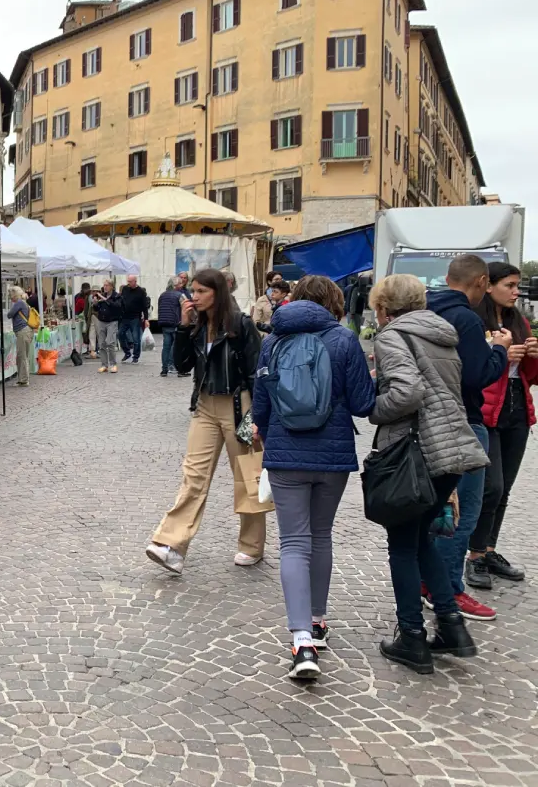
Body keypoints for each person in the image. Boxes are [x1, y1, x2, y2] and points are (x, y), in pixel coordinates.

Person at [251, 276, 377, 680]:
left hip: (286, 455)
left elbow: (260, 408)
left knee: (292, 543)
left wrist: (273, 445)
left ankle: (301, 640)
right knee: (320, 536)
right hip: (333, 455)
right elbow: (362, 404)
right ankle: (319, 622)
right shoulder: (343, 340)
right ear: (334, 303)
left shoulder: (271, 341)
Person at [367, 274, 485, 673]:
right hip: (452, 451)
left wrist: (374, 407)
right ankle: (452, 626)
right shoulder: (440, 333)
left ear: (383, 306)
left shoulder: (392, 336)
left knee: (402, 546)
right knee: (421, 542)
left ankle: (412, 638)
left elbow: (407, 394)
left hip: (417, 455)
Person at [146, 268, 266, 575]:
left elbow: (256, 373)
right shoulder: (198, 325)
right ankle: (171, 544)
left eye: (201, 292)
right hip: (205, 407)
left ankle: (252, 546)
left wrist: (259, 417)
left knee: (247, 476)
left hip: (240, 405)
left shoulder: (241, 324)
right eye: (193, 291)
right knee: (194, 475)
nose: (193, 297)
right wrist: (185, 327)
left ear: (218, 293)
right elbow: (182, 365)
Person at [425, 254, 509, 622]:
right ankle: (449, 591)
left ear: (447, 278)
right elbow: (478, 375)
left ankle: (431, 583)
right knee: (464, 511)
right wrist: (501, 350)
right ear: (480, 282)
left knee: (440, 506)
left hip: (429, 422)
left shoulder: (425, 312)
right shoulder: (466, 319)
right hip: (464, 422)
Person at [469, 262, 536, 588]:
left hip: (516, 411)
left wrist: (532, 355)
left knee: (504, 487)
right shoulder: (474, 320)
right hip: (486, 412)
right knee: (490, 486)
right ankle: (475, 555)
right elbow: (469, 368)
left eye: (517, 286)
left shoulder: (518, 321)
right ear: (489, 285)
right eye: (509, 285)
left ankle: (490, 550)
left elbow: (532, 377)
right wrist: (499, 352)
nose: (515, 291)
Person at [92, 280, 124, 374]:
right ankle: (104, 365)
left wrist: (105, 300)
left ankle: (113, 364)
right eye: (104, 285)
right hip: (101, 321)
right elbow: (97, 309)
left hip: (112, 322)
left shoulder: (116, 296)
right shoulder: (102, 295)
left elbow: (117, 306)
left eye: (107, 285)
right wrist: (95, 304)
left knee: (110, 342)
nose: (105, 287)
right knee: (101, 344)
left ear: (112, 286)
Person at [119, 275, 150, 365]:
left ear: (135, 281)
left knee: (136, 338)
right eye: (127, 281)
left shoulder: (141, 292)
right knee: (120, 334)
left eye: (130, 282)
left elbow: (145, 307)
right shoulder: (125, 289)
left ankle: (135, 356)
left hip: (135, 317)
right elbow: (122, 300)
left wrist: (146, 319)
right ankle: (127, 352)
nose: (128, 283)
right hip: (125, 317)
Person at [7, 285, 34, 387]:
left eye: (11, 295)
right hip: (26, 331)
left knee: (22, 356)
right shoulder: (23, 302)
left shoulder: (19, 303)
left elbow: (9, 314)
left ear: (15, 295)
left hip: (23, 332)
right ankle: (23, 378)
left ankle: (23, 380)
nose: (10, 297)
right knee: (23, 356)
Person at [156, 278, 182, 377]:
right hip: (175, 323)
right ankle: (172, 365)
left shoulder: (162, 295)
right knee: (174, 346)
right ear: (175, 285)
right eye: (179, 284)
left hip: (164, 323)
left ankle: (164, 369)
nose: (181, 285)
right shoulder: (179, 295)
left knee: (166, 347)